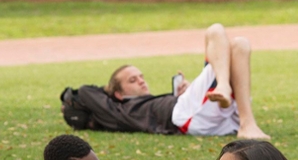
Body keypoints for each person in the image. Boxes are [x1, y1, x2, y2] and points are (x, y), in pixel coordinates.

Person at [61, 23, 270, 140]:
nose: (141, 81)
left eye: (141, 76)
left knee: (240, 45)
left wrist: (180, 94)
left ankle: (232, 103)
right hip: (184, 116)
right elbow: (86, 92)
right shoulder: (118, 110)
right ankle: (244, 117)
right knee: (216, 31)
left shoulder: (141, 107)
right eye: (132, 80)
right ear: (118, 94)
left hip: (198, 113)